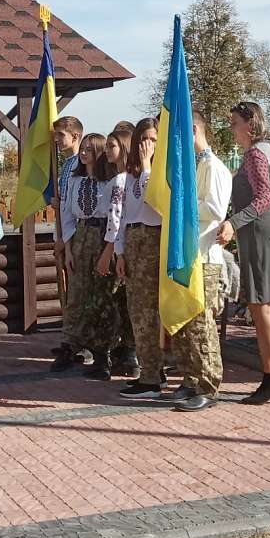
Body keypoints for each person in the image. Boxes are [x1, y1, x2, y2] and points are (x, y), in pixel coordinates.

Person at [218, 101, 270, 405]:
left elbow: (262, 198)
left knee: (262, 307)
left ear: (250, 124)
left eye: (235, 123)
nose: (232, 129)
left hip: (261, 234)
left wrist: (232, 223)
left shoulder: (256, 154)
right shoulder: (266, 151)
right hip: (269, 231)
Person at [170, 110, 233, 411]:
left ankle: (208, 383)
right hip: (187, 255)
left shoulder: (214, 167)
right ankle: (191, 376)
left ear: (193, 129)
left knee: (202, 322)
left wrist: (181, 202)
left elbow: (215, 209)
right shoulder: (192, 167)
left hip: (205, 255)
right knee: (186, 321)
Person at [53, 133, 121, 376]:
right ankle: (71, 344)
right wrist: (69, 249)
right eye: (82, 149)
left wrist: (110, 247)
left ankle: (104, 351)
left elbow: (116, 216)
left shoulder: (111, 180)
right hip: (81, 235)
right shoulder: (75, 180)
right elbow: (68, 214)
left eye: (89, 150)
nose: (83, 153)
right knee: (77, 293)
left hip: (104, 236)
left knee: (103, 294)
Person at [113, 117, 166, 398]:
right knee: (137, 310)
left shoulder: (157, 172)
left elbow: (154, 202)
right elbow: (122, 217)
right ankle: (149, 369)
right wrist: (120, 252)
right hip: (133, 241)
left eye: (153, 140)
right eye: (143, 140)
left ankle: (154, 374)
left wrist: (147, 166)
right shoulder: (131, 174)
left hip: (152, 239)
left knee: (150, 312)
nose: (147, 145)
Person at [90, 129, 132, 380]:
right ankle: (125, 354)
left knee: (107, 302)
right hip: (122, 245)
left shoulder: (120, 181)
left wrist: (108, 251)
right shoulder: (128, 178)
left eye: (112, 146)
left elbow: (115, 220)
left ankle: (104, 358)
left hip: (114, 245)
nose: (107, 151)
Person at [51, 116, 83, 362]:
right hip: (65, 234)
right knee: (70, 292)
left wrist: (67, 238)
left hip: (76, 235)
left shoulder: (80, 164)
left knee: (77, 293)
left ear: (75, 136)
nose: (57, 140)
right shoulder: (66, 165)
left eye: (61, 135)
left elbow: (76, 206)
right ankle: (71, 339)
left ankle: (79, 342)